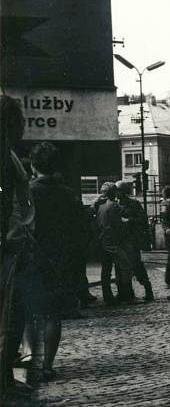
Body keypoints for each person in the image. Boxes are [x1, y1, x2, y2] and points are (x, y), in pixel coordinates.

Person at [24, 142, 84, 381]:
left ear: (33, 166)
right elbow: (81, 231)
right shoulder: (68, 194)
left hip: (30, 259)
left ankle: (28, 364)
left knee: (28, 314)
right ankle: (48, 365)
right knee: (52, 316)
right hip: (59, 262)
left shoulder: (27, 192)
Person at [0, 96, 34, 398]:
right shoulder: (3, 155)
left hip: (13, 245)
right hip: (7, 250)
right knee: (7, 317)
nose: (23, 125)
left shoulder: (7, 154)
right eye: (19, 120)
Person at [94, 183, 134, 305]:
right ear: (112, 192)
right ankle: (126, 296)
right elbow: (119, 224)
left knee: (106, 270)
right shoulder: (113, 206)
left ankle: (108, 297)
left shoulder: (99, 206)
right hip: (113, 241)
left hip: (103, 240)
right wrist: (127, 223)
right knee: (126, 266)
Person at [116, 180, 154, 302]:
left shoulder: (134, 204)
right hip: (120, 239)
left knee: (136, 265)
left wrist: (130, 220)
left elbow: (142, 219)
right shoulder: (115, 205)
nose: (117, 193)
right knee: (120, 267)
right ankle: (124, 292)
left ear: (124, 192)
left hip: (132, 240)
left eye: (119, 191)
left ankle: (148, 289)